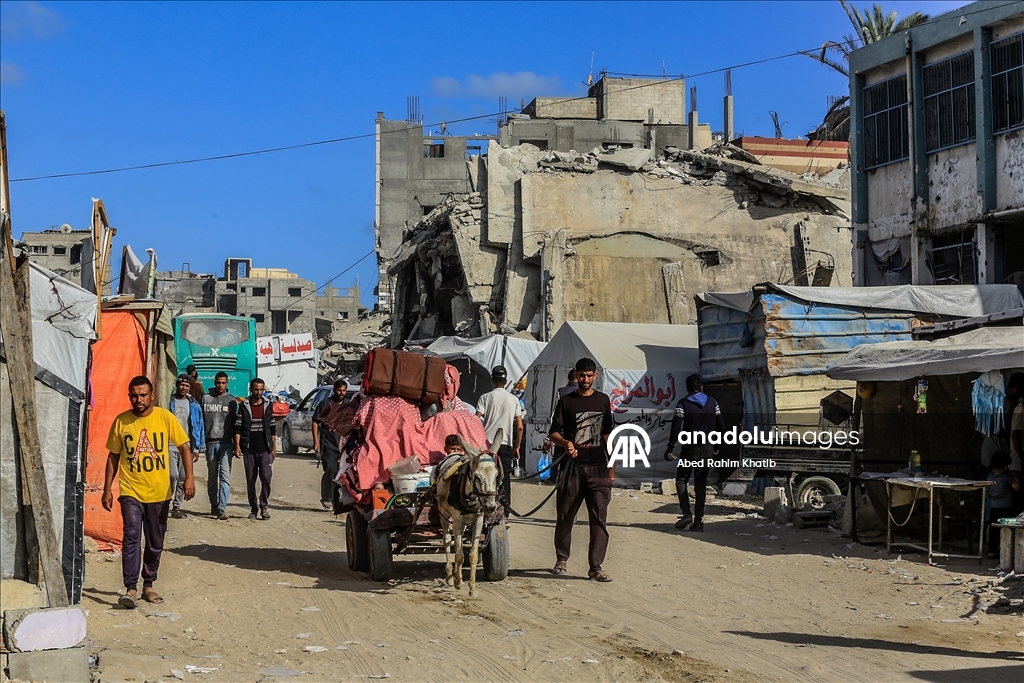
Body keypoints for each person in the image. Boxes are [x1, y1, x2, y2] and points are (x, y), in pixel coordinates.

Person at [102, 376, 195, 608]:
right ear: (129, 396)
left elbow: (184, 446)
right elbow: (113, 455)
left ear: (152, 395)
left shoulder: (165, 418)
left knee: (155, 542)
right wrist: (107, 489)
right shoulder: (121, 422)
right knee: (131, 538)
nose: (139, 399)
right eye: (134, 395)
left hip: (160, 494)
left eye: (143, 394)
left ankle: (149, 585)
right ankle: (130, 588)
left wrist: (189, 478)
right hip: (130, 491)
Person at [548, 357, 614, 582]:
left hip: (598, 469)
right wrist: (566, 443)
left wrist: (612, 465)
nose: (585, 379)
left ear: (595, 376)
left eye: (589, 375)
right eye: (581, 375)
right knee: (565, 515)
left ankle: (595, 567)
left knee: (599, 519)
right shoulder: (566, 402)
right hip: (571, 469)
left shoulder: (604, 401)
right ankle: (562, 558)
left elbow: (607, 434)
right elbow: (553, 433)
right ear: (575, 375)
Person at [664, 374, 725, 532]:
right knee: (700, 484)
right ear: (702, 387)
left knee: (681, 480)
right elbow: (720, 426)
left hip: (690, 449)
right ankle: (698, 521)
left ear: (688, 388)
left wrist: (670, 447)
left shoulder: (682, 403)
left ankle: (686, 513)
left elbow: (676, 427)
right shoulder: (713, 403)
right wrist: (717, 445)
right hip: (707, 448)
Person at [476, 365, 525, 513]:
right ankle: (504, 513)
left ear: (492, 381)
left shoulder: (485, 398)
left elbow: (476, 419)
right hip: (505, 444)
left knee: (485, 476)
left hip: (487, 445)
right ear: (505, 381)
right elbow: (520, 426)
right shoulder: (514, 399)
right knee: (504, 478)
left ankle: (482, 508)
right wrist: (517, 447)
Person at [234, 377, 276, 520]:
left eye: (261, 389)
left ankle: (264, 506)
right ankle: (254, 509)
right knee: (251, 480)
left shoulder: (268, 405)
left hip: (265, 449)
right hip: (249, 450)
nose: (258, 392)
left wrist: (274, 448)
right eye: (256, 389)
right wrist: (238, 445)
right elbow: (238, 427)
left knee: (266, 477)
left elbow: (272, 428)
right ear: (251, 390)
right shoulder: (244, 405)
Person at [168, 374, 205, 519]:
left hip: (186, 445)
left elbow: (198, 425)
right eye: (182, 385)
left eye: (187, 386)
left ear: (190, 387)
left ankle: (177, 506)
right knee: (172, 475)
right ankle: (166, 501)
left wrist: (197, 447)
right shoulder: (168, 402)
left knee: (183, 477)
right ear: (177, 385)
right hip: (169, 444)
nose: (184, 388)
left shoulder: (193, 404)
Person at [201, 371, 235, 519]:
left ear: (227, 384)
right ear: (214, 382)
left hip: (226, 443)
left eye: (223, 383)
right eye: (218, 382)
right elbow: (200, 422)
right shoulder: (205, 399)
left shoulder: (232, 401)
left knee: (225, 476)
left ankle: (222, 507)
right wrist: (201, 442)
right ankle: (213, 505)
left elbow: (236, 424)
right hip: (210, 443)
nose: (220, 385)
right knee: (212, 476)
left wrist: (237, 444)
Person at [313, 379, 348, 510]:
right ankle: (326, 498)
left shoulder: (347, 405)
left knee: (342, 473)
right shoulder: (325, 404)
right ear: (334, 390)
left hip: (343, 445)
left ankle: (338, 499)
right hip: (328, 444)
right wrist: (316, 441)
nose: (341, 393)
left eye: (344, 390)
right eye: (339, 390)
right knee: (330, 470)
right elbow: (315, 422)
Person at [986, 451, 1020, 558]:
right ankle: (1007, 551)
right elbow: (1016, 487)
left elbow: (989, 492)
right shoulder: (1006, 478)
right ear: (1005, 466)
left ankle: (991, 551)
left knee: (993, 530)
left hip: (994, 507)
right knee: (1007, 530)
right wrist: (1015, 477)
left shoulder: (989, 477)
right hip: (1006, 507)